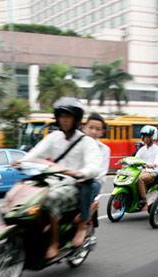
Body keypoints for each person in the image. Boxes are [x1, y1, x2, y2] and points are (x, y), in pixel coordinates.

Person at [19, 97, 102, 255]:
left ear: (76, 119)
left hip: (74, 184)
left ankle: (54, 243)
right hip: (52, 180)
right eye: (61, 116)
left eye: (68, 116)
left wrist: (80, 173)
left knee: (49, 200)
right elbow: (35, 153)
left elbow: (93, 166)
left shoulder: (87, 142)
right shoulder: (53, 137)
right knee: (24, 194)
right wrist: (20, 161)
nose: (64, 120)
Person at [134, 125, 158, 210]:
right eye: (144, 136)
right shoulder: (142, 149)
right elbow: (135, 158)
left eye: (148, 136)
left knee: (139, 179)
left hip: (152, 172)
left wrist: (152, 164)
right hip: (142, 171)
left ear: (153, 137)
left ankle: (143, 200)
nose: (145, 138)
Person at [83, 112, 110, 187]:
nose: (93, 131)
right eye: (91, 127)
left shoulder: (105, 149)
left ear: (102, 132)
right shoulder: (76, 144)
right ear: (84, 128)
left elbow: (101, 173)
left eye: (97, 129)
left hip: (90, 188)